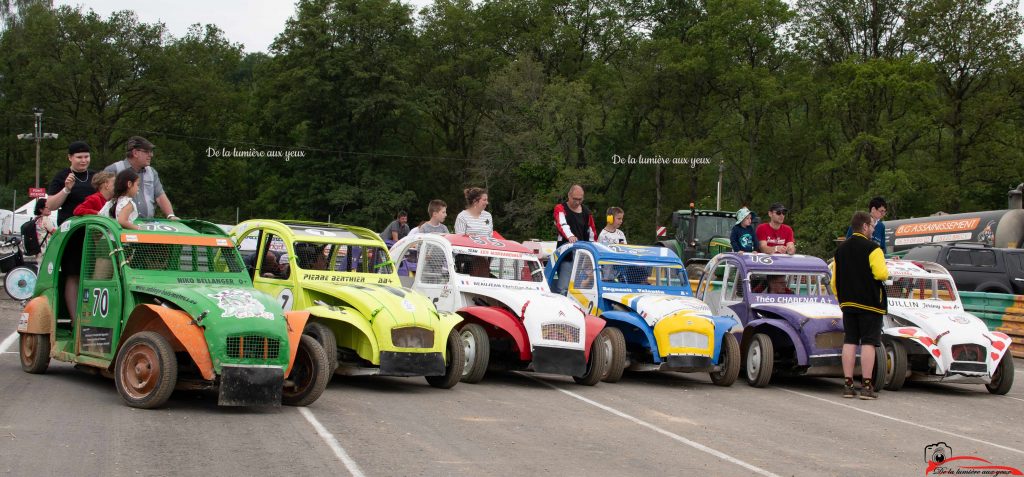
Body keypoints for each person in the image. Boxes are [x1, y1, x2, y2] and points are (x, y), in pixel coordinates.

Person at [831, 211, 889, 400]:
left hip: (848, 303)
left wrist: (842, 298)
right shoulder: (873, 249)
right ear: (864, 226)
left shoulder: (840, 250)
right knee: (869, 342)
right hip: (870, 304)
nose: (873, 229)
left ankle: (848, 384)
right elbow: (881, 274)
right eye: (871, 226)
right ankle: (866, 385)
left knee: (850, 341)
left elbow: (834, 281)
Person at [103, 136, 178, 220]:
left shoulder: (152, 172)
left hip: (147, 224)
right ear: (135, 153)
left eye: (151, 151)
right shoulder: (113, 170)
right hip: (119, 225)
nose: (151, 155)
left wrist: (171, 215)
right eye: (147, 151)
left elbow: (160, 196)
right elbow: (102, 197)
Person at [46, 141, 98, 225]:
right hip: (70, 226)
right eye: (79, 157)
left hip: (92, 225)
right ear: (70, 157)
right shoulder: (61, 176)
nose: (84, 160)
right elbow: (50, 205)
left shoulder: (96, 176)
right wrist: (66, 189)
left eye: (86, 157)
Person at [553, 184, 596, 249]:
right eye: (575, 199)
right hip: (564, 251)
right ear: (569, 195)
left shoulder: (587, 212)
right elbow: (562, 224)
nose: (577, 202)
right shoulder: (560, 208)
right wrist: (570, 236)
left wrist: (593, 247)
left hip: (582, 252)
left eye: (580, 199)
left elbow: (592, 234)